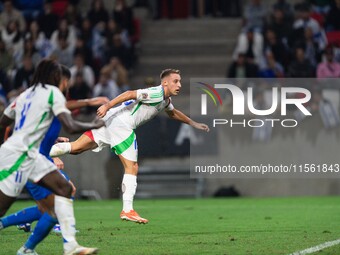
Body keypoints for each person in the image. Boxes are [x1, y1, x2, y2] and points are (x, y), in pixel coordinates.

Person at [50, 69, 210, 223]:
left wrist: (193, 123)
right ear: (165, 83)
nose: (179, 85)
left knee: (76, 148)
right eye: (175, 81)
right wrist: (107, 105)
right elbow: (129, 94)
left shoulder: (165, 100)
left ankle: (42, 152)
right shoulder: (156, 93)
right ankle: (127, 210)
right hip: (121, 125)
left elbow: (172, 113)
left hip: (109, 121)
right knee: (132, 167)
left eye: (180, 81)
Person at [0, 65, 109, 254]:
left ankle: (70, 246)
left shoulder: (26, 94)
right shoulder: (53, 92)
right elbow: (71, 125)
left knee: (65, 189)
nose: (67, 84)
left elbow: (4, 121)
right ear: (59, 78)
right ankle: (28, 246)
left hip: (31, 155)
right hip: (19, 155)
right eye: (66, 80)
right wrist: (95, 124)